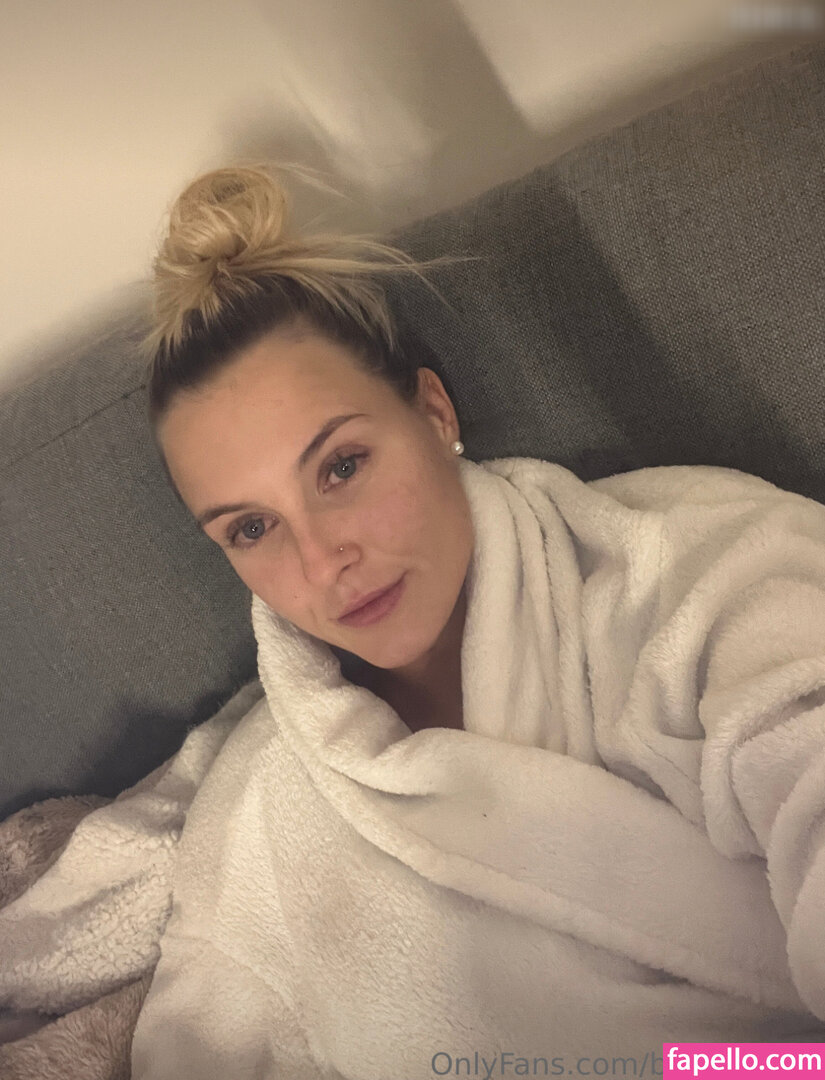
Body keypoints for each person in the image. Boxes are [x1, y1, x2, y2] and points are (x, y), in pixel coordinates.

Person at [130, 162, 825, 1078]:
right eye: (251, 529)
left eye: (341, 467)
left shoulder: (699, 569)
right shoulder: (255, 817)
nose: (322, 561)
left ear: (432, 412)